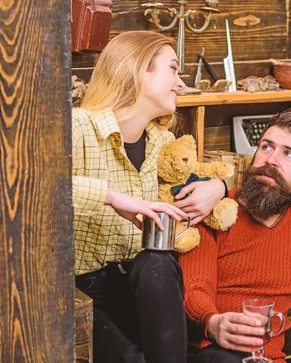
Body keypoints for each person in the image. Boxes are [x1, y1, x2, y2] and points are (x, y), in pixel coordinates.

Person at [72, 31, 227, 363]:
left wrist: (219, 189)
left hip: (143, 289)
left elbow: (213, 175)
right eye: (173, 69)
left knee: (156, 260)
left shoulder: (163, 141)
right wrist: (113, 197)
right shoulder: (79, 127)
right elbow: (35, 187)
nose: (181, 84)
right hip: (81, 291)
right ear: (138, 69)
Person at [179, 109, 291, 363]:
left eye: (288, 154)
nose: (271, 159)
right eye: (266, 147)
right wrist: (214, 322)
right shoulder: (216, 211)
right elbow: (195, 288)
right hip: (211, 353)